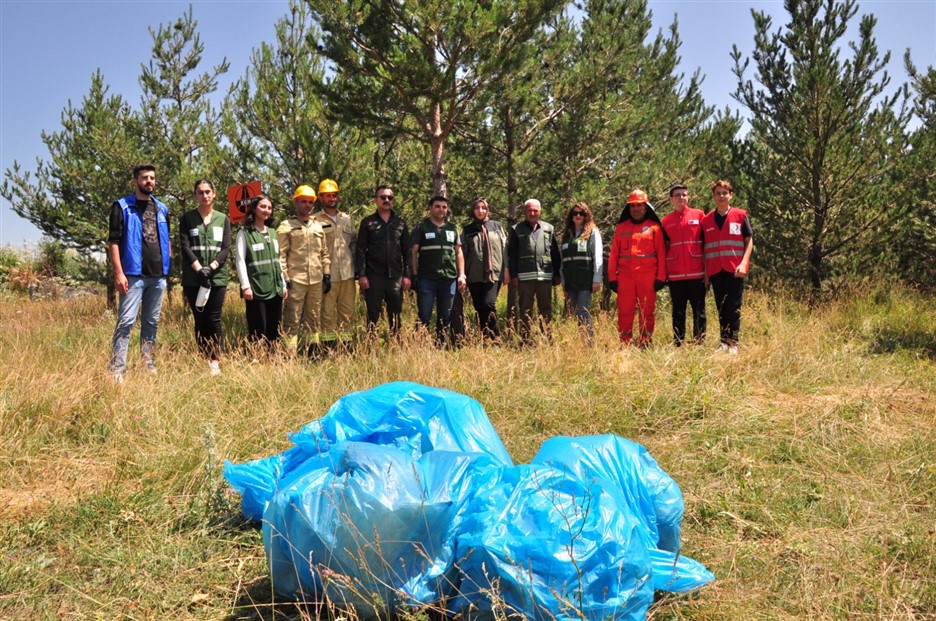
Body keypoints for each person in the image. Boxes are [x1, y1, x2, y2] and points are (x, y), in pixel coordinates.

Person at [107, 164, 170, 382]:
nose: (149, 181)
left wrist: (166, 267)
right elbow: (113, 242)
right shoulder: (122, 207)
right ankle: (116, 370)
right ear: (135, 181)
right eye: (145, 178)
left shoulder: (162, 208)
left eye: (152, 178)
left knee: (151, 323)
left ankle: (148, 364)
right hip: (132, 276)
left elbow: (166, 239)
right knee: (126, 323)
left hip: (157, 277)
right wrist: (119, 273)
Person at [179, 179, 231, 375]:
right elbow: (185, 246)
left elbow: (225, 248)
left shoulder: (223, 218)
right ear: (195, 196)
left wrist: (212, 267)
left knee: (214, 319)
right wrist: (200, 269)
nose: (205, 196)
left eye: (208, 192)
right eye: (200, 192)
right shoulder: (187, 218)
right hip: (194, 278)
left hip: (217, 278)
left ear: (214, 193)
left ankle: (215, 360)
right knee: (200, 319)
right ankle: (203, 357)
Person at [278, 184, 331, 358]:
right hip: (296, 280)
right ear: (296, 202)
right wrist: (284, 277)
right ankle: (289, 356)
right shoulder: (287, 226)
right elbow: (281, 254)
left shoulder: (318, 226)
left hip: (316, 280)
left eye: (310, 202)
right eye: (303, 202)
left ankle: (312, 354)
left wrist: (327, 273)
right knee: (291, 320)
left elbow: (324, 252)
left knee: (314, 319)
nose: (307, 205)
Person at [609, 189, 667, 347]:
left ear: (646, 207)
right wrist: (612, 278)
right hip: (625, 277)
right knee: (625, 311)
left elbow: (661, 254)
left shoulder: (654, 227)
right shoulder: (621, 227)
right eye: (632, 205)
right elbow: (614, 254)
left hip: (647, 277)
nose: (636, 209)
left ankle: (645, 342)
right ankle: (625, 343)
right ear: (629, 208)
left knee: (647, 311)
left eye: (639, 205)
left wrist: (661, 277)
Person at [702, 179, 753, 354]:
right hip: (716, 270)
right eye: (718, 193)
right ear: (714, 196)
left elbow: (749, 240)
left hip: (734, 269)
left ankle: (734, 344)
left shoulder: (740, 215)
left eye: (725, 193)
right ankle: (723, 342)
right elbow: (705, 248)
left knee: (734, 307)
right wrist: (706, 273)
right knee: (721, 307)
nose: (721, 196)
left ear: (730, 195)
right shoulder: (707, 220)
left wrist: (744, 262)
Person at [356, 185, 412, 339]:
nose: (387, 200)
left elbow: (407, 251)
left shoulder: (400, 223)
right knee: (373, 313)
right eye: (383, 197)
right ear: (376, 200)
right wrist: (362, 275)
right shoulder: (367, 222)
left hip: (395, 276)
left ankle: (396, 345)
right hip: (374, 276)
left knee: (395, 314)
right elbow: (360, 250)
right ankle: (371, 346)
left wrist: (407, 275)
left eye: (390, 198)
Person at [411, 195, 466, 347]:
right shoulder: (421, 227)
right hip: (426, 279)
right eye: (437, 206)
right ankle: (420, 346)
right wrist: (414, 274)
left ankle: (440, 345)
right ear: (430, 208)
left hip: (448, 279)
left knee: (445, 316)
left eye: (444, 207)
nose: (441, 210)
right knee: (424, 315)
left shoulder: (452, 228)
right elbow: (413, 252)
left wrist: (461, 275)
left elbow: (458, 252)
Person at [235, 194, 287, 348]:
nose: (266, 210)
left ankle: (273, 358)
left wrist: (283, 284)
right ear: (254, 208)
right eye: (263, 206)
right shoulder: (244, 233)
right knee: (258, 326)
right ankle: (258, 358)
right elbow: (240, 260)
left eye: (269, 208)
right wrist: (245, 286)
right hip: (256, 288)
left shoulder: (272, 232)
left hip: (275, 288)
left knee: (274, 327)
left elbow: (278, 261)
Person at [507, 198, 562, 343]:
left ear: (540, 212)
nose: (532, 213)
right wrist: (514, 275)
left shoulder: (549, 229)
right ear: (524, 212)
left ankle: (547, 339)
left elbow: (555, 253)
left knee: (546, 309)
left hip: (545, 276)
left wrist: (557, 274)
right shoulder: (516, 229)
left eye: (535, 210)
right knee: (525, 310)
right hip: (524, 277)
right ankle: (526, 340)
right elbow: (511, 255)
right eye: (529, 210)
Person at [312, 179, 357, 353]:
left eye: (334, 195)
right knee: (327, 313)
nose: (332, 198)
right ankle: (328, 348)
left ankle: (346, 348)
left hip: (347, 274)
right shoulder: (315, 219)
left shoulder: (346, 218)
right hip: (327, 275)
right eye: (328, 195)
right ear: (320, 197)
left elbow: (353, 242)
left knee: (347, 312)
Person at [661, 184, 706, 345]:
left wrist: (707, 272)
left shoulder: (699, 215)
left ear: (688, 197)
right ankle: (678, 342)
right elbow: (663, 248)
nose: (681, 198)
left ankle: (700, 342)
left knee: (699, 310)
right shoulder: (666, 221)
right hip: (676, 274)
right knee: (678, 311)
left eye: (684, 195)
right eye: (678, 195)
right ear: (671, 199)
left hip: (697, 272)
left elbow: (706, 243)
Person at [461, 197, 508, 340]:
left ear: (487, 210)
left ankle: (496, 337)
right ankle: (485, 338)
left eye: (483, 208)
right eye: (477, 208)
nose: (480, 211)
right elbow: (462, 252)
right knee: (479, 307)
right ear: (473, 211)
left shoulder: (497, 226)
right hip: (474, 275)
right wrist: (462, 274)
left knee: (488, 304)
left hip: (494, 274)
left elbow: (505, 249)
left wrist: (507, 270)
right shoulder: (467, 230)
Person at [560, 202, 603, 343]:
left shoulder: (593, 233)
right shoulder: (567, 235)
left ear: (586, 216)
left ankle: (589, 343)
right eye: (575, 213)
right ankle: (581, 341)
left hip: (586, 280)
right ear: (571, 216)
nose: (578, 216)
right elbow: (562, 260)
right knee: (575, 312)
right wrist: (563, 280)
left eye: (581, 213)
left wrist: (597, 279)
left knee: (583, 311)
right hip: (571, 281)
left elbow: (598, 256)